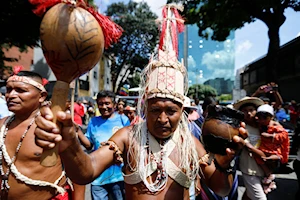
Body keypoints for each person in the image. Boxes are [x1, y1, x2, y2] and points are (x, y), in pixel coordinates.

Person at [34, 4, 246, 200]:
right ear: (145, 107)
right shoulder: (128, 137)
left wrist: (225, 165)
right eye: (155, 110)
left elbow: (222, 189)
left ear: (182, 110)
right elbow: (86, 171)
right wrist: (70, 141)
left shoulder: (189, 143)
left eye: (171, 111)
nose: (162, 119)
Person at [0, 71, 82, 200]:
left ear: (41, 96)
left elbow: (78, 172)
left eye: (21, 90)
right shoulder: (2, 125)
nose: (11, 95)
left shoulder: (53, 127)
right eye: (9, 89)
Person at [77, 90, 130, 200]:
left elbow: (130, 146)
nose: (104, 107)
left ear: (114, 105)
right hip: (98, 178)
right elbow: (89, 146)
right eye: (101, 104)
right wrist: (77, 132)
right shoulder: (93, 121)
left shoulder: (123, 120)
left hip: (119, 176)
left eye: (107, 103)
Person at [244, 104, 289, 193]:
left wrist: (271, 136)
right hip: (264, 149)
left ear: (271, 117)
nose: (262, 120)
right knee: (260, 158)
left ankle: (269, 177)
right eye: (260, 118)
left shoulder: (275, 125)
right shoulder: (259, 125)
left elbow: (284, 136)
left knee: (272, 158)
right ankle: (269, 178)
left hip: (274, 150)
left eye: (265, 118)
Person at [233, 96, 268, 200]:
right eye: (245, 111)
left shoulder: (262, 126)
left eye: (251, 110)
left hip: (263, 168)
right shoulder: (241, 128)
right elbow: (244, 146)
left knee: (249, 195)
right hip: (249, 168)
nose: (248, 113)